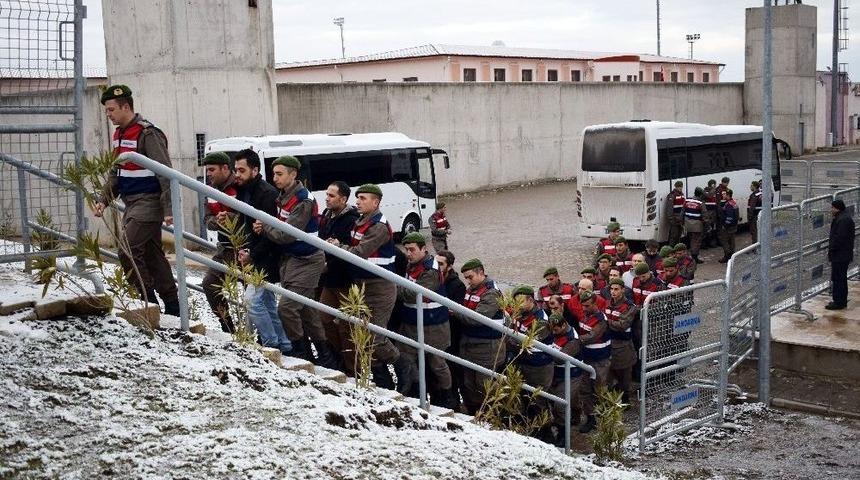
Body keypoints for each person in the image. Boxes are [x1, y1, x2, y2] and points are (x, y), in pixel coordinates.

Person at [94, 84, 179, 315]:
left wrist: (169, 208)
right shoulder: (119, 134)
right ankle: (173, 304)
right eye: (107, 111)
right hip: (131, 203)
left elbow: (165, 172)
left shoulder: (147, 133)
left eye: (111, 110)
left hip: (149, 202)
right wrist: (104, 199)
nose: (108, 115)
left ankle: (146, 299)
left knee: (127, 249)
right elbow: (116, 172)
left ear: (125, 107)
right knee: (152, 255)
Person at [327, 183, 414, 392]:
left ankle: (404, 367)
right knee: (360, 335)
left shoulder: (379, 226)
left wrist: (339, 247)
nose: (358, 202)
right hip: (361, 285)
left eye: (363, 198)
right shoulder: (360, 221)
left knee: (375, 337)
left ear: (376, 202)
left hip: (380, 287)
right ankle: (382, 380)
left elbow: (360, 252)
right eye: (357, 198)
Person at [254, 155, 337, 368]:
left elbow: (286, 234)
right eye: (274, 174)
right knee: (307, 310)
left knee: (287, 308)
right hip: (291, 259)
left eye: (280, 174)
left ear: (293, 174)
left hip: (307, 260)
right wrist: (265, 227)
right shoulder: (283, 195)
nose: (275, 179)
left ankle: (300, 351)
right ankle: (324, 355)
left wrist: (265, 227)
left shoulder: (303, 200)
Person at [231, 149, 291, 355]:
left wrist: (252, 255)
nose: (237, 174)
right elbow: (248, 226)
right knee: (266, 304)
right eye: (235, 169)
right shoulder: (244, 190)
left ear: (255, 170)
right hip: (256, 255)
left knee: (252, 301)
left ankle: (271, 343)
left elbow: (270, 234)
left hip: (268, 258)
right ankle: (284, 344)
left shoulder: (266, 194)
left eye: (241, 170)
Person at [398, 233, 453, 405]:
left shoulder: (431, 270)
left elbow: (412, 295)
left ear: (424, 249)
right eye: (406, 249)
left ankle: (447, 398)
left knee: (437, 364)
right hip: (412, 322)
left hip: (434, 325)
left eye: (412, 249)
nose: (408, 253)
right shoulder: (412, 265)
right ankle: (414, 391)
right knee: (407, 358)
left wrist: (393, 287)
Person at [317, 181, 360, 372]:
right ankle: (338, 356)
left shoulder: (351, 220)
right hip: (329, 279)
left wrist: (327, 266)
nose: (327, 198)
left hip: (345, 280)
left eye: (331, 196)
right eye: (327, 194)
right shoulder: (327, 215)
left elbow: (349, 252)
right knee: (323, 318)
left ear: (343, 199)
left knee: (347, 326)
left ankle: (352, 368)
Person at [452, 258, 504, 414]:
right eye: (466, 278)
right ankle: (476, 412)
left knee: (484, 384)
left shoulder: (491, 292)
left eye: (470, 277)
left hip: (486, 346)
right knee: (469, 383)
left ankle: (493, 414)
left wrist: (455, 312)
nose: (468, 281)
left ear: (480, 273)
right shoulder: (472, 289)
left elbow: (477, 319)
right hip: (469, 344)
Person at [199, 151, 239, 333]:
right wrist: (217, 221)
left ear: (225, 168)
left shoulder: (240, 186)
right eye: (207, 170)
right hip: (225, 251)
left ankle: (264, 338)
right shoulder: (211, 190)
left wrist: (231, 218)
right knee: (209, 283)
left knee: (253, 296)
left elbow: (249, 216)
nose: (209, 174)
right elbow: (207, 219)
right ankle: (228, 327)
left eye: (212, 170)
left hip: (245, 250)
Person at [508, 285, 554, 422]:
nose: (518, 305)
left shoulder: (541, 320)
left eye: (521, 301)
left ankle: (545, 430)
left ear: (530, 300)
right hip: (524, 362)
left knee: (538, 400)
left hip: (539, 366)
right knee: (524, 397)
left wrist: (508, 343)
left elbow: (524, 343)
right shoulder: (520, 313)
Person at [576, 290, 611, 433]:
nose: (584, 308)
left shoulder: (601, 319)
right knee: (584, 390)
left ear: (595, 304)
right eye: (582, 306)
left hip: (600, 360)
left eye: (587, 305)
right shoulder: (584, 316)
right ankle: (590, 418)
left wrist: (575, 341)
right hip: (587, 358)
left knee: (600, 390)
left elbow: (592, 336)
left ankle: (604, 417)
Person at [547, 312, 583, 446]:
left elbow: (560, 358)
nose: (553, 332)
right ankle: (570, 416)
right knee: (558, 401)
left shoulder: (572, 339)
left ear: (564, 325)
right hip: (557, 373)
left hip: (571, 374)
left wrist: (544, 352)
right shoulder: (554, 331)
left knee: (560, 405)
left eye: (556, 330)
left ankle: (564, 433)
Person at [436, 250, 466, 409]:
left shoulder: (457, 285)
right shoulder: (434, 278)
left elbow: (456, 312)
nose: (438, 266)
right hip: (438, 330)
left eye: (441, 264)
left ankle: (454, 401)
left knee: (452, 369)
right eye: (436, 263)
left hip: (452, 334)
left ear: (449, 266)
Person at [605, 278, 637, 405]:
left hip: (623, 346)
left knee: (624, 375)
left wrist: (606, 322)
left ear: (623, 290)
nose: (613, 292)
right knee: (609, 374)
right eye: (611, 289)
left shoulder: (629, 306)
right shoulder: (606, 303)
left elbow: (622, 324)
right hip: (608, 344)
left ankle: (625, 399)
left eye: (616, 289)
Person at [827, 199, 856, 310]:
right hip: (843, 254)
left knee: (838, 278)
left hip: (840, 255)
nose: (831, 210)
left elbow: (839, 238)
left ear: (837, 208)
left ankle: (838, 302)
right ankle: (841, 300)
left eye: (832, 208)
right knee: (841, 278)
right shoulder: (844, 217)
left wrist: (832, 249)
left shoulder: (842, 220)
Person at [683, 187, 705, 263]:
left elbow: (682, 212)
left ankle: (692, 256)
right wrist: (707, 226)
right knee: (696, 242)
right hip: (697, 226)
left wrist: (682, 222)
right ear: (701, 195)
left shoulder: (687, 201)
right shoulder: (700, 203)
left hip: (688, 225)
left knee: (691, 240)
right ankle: (694, 257)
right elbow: (705, 216)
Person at [718, 189, 739, 263]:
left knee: (725, 241)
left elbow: (729, 217)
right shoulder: (733, 203)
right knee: (732, 241)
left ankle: (727, 256)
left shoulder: (729, 204)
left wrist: (725, 225)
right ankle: (732, 255)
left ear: (728, 195)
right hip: (733, 226)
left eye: (724, 194)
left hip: (728, 227)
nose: (723, 195)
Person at [666, 181, 686, 246]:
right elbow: (669, 209)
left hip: (680, 220)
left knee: (679, 236)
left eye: (681, 187)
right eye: (679, 187)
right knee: (673, 236)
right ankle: (671, 249)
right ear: (676, 187)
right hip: (674, 220)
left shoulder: (682, 195)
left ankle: (677, 250)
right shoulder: (672, 195)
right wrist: (671, 220)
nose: (680, 188)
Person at [703, 179, 719, 247]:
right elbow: (709, 196)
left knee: (711, 228)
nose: (715, 186)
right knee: (707, 229)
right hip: (708, 213)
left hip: (713, 213)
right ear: (712, 185)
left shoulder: (714, 192)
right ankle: (705, 243)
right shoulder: (706, 191)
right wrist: (713, 189)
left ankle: (710, 243)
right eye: (714, 184)